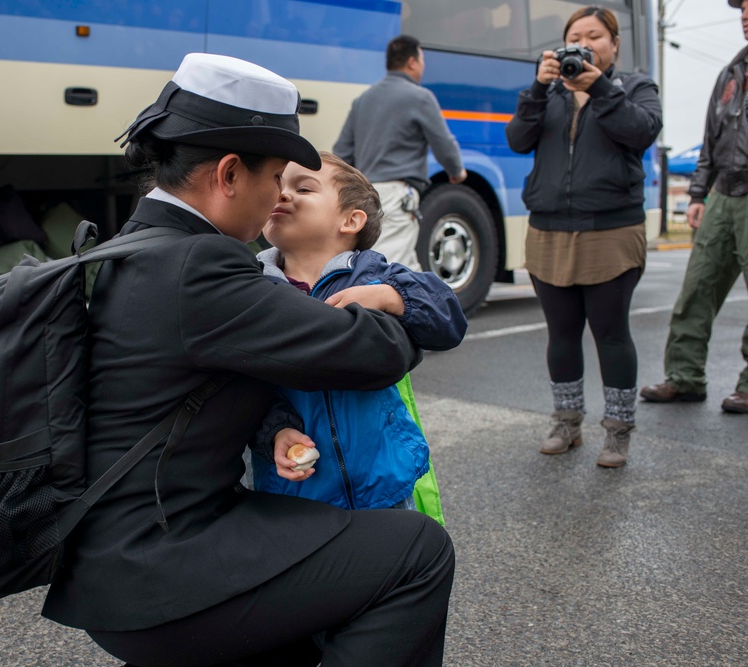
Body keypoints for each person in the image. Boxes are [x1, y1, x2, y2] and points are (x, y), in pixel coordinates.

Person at [42, 53, 455, 667]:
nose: (274, 206)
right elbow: (374, 354)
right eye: (273, 184)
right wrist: (395, 302)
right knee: (419, 550)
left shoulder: (135, 245)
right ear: (230, 173)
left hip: (117, 558)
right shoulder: (201, 267)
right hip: (161, 569)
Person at [250, 152, 466, 521]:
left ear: (350, 220)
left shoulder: (374, 274)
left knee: (394, 572)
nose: (282, 195)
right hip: (298, 491)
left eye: (302, 187)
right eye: (278, 185)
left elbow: (449, 319)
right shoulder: (254, 288)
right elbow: (247, 386)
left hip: (384, 482)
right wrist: (275, 432)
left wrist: (391, 296)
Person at [504, 6, 662, 467]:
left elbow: (641, 131)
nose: (585, 42)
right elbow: (518, 138)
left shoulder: (634, 87)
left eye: (595, 35)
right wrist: (537, 87)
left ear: (614, 44)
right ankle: (566, 422)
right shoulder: (548, 92)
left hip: (611, 229)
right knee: (561, 335)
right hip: (549, 229)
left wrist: (599, 87)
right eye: (575, 36)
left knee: (611, 334)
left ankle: (617, 432)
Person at [640, 0, 748, 415]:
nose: (744, 12)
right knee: (697, 288)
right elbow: (711, 140)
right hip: (723, 191)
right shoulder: (730, 74)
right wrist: (699, 194)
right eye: (741, 6)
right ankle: (685, 377)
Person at [333, 35, 466, 271]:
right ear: (412, 62)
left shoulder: (363, 100)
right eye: (422, 60)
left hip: (364, 198)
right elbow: (444, 142)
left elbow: (342, 153)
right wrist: (456, 171)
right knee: (394, 269)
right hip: (396, 197)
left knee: (372, 264)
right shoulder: (420, 97)